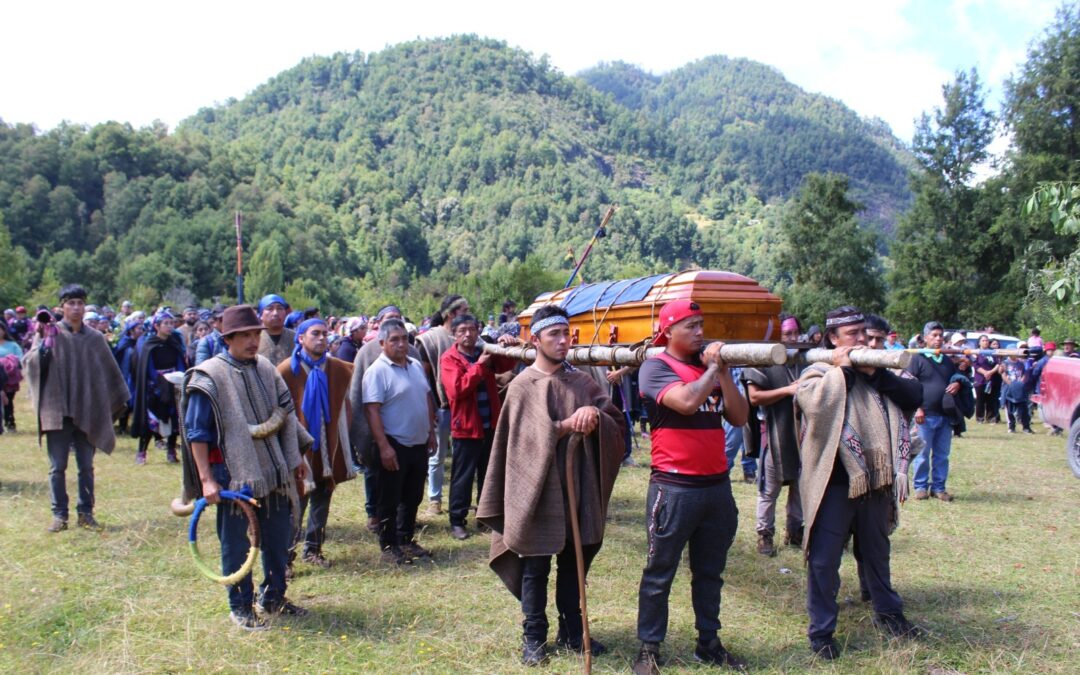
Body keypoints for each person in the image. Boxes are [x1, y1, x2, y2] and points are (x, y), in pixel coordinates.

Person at [476, 304, 624, 665]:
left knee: (575, 563)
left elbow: (616, 424)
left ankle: (573, 632)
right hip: (539, 491)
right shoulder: (522, 386)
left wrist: (596, 418)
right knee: (535, 565)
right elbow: (518, 443)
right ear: (536, 339)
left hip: (578, 487)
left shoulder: (583, 382)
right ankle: (534, 639)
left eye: (567, 333)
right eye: (554, 334)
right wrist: (564, 426)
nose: (563, 340)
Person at [794, 306, 923, 660]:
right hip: (833, 484)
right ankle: (821, 633)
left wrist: (875, 374)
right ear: (833, 339)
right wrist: (845, 370)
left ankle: (890, 615)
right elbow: (818, 406)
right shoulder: (816, 372)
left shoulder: (878, 373)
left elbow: (914, 397)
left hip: (874, 482)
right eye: (853, 334)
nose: (863, 339)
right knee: (823, 562)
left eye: (865, 333)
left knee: (877, 554)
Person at [632, 300, 748, 674]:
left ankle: (709, 643)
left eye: (701, 324)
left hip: (716, 486)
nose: (700, 332)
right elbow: (685, 402)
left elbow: (740, 416)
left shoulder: (709, 369)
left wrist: (724, 375)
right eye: (690, 326)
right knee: (659, 571)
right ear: (668, 331)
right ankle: (649, 648)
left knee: (710, 571)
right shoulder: (655, 367)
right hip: (674, 487)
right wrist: (713, 368)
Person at [182, 304, 310, 630]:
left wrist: (296, 459)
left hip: (274, 469)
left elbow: (287, 415)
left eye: (256, 334)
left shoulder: (266, 368)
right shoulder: (209, 375)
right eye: (245, 335)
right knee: (238, 544)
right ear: (228, 338)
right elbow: (196, 432)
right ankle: (240, 607)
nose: (253, 341)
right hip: (233, 474)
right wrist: (206, 480)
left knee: (279, 538)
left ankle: (274, 598)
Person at [22, 285, 129, 532]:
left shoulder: (95, 338)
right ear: (62, 307)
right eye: (71, 303)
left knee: (86, 466)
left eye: (80, 303)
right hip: (57, 410)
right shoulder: (50, 332)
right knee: (57, 466)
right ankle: (60, 515)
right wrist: (44, 346)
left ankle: (86, 513)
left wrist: (114, 400)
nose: (76, 308)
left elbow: (108, 372)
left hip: (88, 408)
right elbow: (29, 365)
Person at [278, 318, 356, 571]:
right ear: (301, 338)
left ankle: (313, 548)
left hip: (327, 443)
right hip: (297, 448)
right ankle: (284, 558)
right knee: (295, 503)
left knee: (323, 496)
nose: (322, 338)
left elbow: (346, 404)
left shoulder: (338, 369)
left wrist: (344, 439)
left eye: (325, 333)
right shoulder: (285, 372)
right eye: (315, 334)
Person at [363, 318, 437, 564]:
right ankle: (388, 544)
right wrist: (383, 447)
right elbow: (372, 411)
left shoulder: (415, 365)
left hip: (418, 442)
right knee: (390, 498)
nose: (401, 344)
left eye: (404, 338)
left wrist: (431, 432)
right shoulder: (376, 371)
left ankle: (406, 539)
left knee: (413, 495)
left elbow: (426, 398)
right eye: (394, 340)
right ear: (382, 343)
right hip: (394, 443)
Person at [439, 313, 517, 540]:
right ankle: (457, 521)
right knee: (462, 477)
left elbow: (505, 364)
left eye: (472, 329)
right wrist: (479, 367)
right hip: (466, 428)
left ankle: (485, 518)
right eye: (462, 330)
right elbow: (456, 390)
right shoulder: (449, 359)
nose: (467, 334)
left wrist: (505, 344)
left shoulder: (486, 351)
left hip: (489, 424)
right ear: (454, 333)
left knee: (488, 474)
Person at [347, 305, 422, 532]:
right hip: (384, 435)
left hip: (413, 436)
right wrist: (367, 437)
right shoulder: (368, 355)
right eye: (389, 320)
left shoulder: (414, 356)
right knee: (379, 480)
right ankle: (377, 518)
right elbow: (361, 400)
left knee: (411, 488)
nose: (400, 343)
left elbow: (423, 394)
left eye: (398, 320)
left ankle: (404, 531)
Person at [744, 313, 804, 557]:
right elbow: (755, 397)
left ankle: (795, 531)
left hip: (802, 435)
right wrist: (789, 390)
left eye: (794, 333)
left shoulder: (804, 359)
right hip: (775, 434)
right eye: (786, 333)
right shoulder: (762, 359)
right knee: (770, 490)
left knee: (800, 488)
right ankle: (765, 535)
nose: (791, 338)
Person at [414, 295, 471, 516]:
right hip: (441, 405)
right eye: (464, 309)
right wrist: (431, 407)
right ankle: (434, 500)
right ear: (451, 314)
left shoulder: (468, 336)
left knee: (461, 457)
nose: (468, 313)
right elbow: (423, 377)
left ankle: (458, 501)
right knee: (436, 456)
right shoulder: (430, 339)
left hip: (464, 406)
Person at [906, 321, 960, 502]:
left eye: (940, 336)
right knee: (922, 453)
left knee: (942, 455)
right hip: (924, 416)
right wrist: (917, 408)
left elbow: (957, 377)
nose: (938, 339)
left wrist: (957, 383)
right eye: (934, 335)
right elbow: (910, 384)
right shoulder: (918, 358)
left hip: (944, 415)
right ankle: (921, 487)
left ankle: (939, 488)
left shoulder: (946, 360)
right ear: (925, 338)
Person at [131, 310, 187, 464]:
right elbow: (148, 367)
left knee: (174, 419)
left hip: (173, 384)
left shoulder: (174, 343)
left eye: (171, 323)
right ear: (157, 326)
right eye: (166, 324)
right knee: (151, 422)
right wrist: (158, 381)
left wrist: (180, 377)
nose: (170, 327)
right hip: (155, 388)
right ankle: (142, 452)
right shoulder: (150, 344)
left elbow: (180, 363)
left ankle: (171, 451)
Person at [1002, 347, 1034, 434]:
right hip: (1009, 388)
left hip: (1019, 388)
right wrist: (1011, 384)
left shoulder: (1021, 363)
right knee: (1009, 409)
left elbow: (1024, 374)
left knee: (1024, 408)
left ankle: (1026, 427)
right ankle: (1011, 427)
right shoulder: (1005, 363)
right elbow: (1003, 374)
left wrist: (1020, 384)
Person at [257, 294, 295, 366]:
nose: (275, 313)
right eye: (270, 309)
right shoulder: (254, 337)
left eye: (280, 308)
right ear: (261, 315)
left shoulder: (296, 338)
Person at [0, 320, 24, 432]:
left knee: (8, 402)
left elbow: (20, 358)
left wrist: (8, 362)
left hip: (10, 378)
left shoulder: (12, 345)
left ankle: (10, 423)